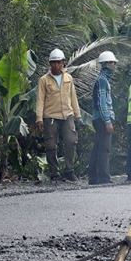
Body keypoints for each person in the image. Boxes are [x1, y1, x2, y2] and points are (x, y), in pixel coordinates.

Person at [34, 48, 82, 181]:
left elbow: (73, 97)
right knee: (50, 145)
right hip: (50, 116)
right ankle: (54, 172)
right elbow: (40, 99)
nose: (56, 65)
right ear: (50, 64)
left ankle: (69, 169)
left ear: (63, 63)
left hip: (67, 115)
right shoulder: (44, 80)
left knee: (71, 141)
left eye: (59, 62)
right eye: (53, 62)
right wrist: (39, 118)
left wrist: (77, 115)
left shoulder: (68, 78)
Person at [88, 50, 118, 184]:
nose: (114, 65)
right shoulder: (102, 81)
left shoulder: (102, 80)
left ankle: (93, 178)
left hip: (98, 118)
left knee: (98, 147)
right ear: (106, 64)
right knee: (104, 148)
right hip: (102, 119)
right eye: (112, 62)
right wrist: (107, 121)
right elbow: (102, 103)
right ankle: (103, 178)